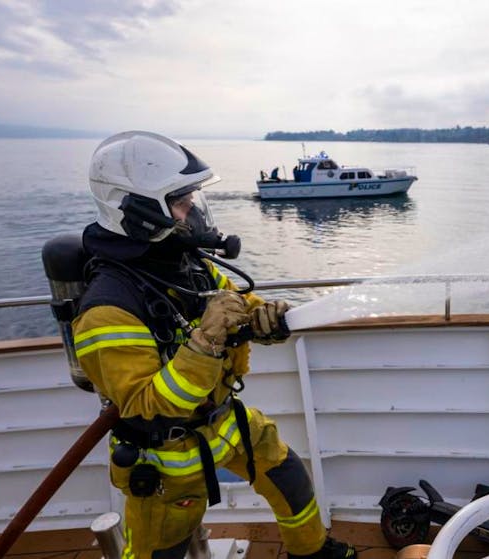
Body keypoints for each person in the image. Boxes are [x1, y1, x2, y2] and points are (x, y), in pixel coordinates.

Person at [73, 130, 356, 559]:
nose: (193, 211)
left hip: (222, 420)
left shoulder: (186, 265)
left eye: (191, 198)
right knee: (160, 550)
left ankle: (313, 552)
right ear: (138, 211)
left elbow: (234, 302)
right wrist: (205, 341)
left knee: (287, 475)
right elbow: (145, 404)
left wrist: (265, 318)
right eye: (181, 201)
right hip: (164, 457)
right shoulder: (106, 310)